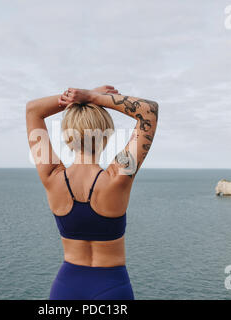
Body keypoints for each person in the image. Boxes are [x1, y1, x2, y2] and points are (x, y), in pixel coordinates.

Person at [26, 85, 158, 299]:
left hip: (66, 287)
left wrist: (78, 98)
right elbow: (149, 111)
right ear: (106, 136)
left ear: (67, 136)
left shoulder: (51, 176)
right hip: (112, 287)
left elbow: (33, 110)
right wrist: (95, 97)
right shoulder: (118, 178)